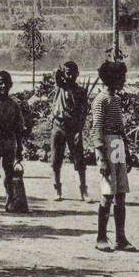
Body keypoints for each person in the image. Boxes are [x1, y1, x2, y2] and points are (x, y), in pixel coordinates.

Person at [91, 60, 134, 252]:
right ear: (113, 79)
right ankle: (101, 237)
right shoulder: (101, 100)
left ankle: (121, 237)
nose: (124, 80)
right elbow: (96, 129)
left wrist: (128, 151)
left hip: (118, 145)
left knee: (121, 193)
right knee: (107, 194)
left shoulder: (115, 99)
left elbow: (121, 128)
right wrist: (101, 157)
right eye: (122, 77)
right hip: (107, 146)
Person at [50, 59, 90, 201]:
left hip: (73, 128)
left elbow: (83, 112)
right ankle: (57, 188)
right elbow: (56, 75)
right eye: (67, 73)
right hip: (59, 126)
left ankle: (83, 190)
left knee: (79, 160)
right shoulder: (61, 86)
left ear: (77, 74)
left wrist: (79, 129)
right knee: (56, 160)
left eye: (73, 73)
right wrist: (62, 72)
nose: (70, 76)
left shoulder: (80, 91)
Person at [0, 70, 24, 212]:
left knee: (9, 173)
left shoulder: (14, 105)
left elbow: (19, 128)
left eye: (5, 83)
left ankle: (10, 201)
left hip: (9, 142)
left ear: (11, 85)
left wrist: (19, 147)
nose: (3, 86)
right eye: (0, 83)